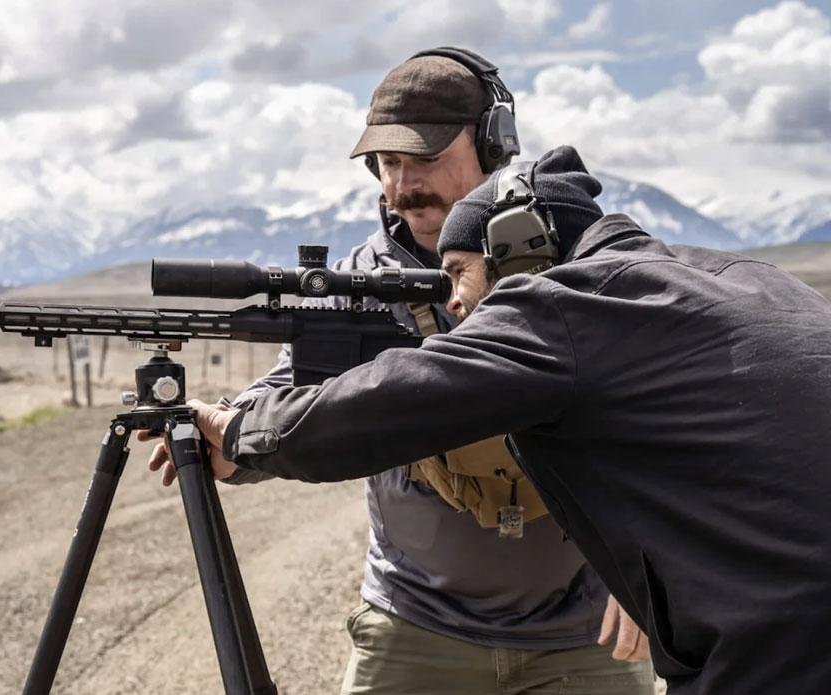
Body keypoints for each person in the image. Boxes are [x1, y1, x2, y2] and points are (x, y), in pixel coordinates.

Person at [180, 144, 831, 695]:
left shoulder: (567, 306)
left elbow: (398, 401)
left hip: (775, 648)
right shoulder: (757, 280)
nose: (456, 302)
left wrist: (243, 428)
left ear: (521, 250)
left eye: (460, 271)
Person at [145, 50, 653, 694]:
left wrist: (651, 567)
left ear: (494, 146)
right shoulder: (359, 281)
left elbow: (663, 419)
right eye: (389, 163)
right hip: (415, 628)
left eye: (427, 159)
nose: (404, 184)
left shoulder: (580, 255)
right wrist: (230, 441)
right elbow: (289, 389)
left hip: (588, 637)